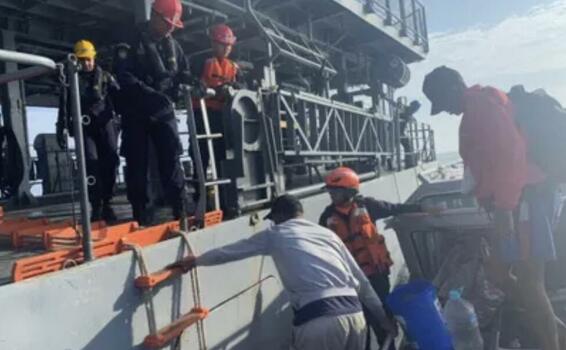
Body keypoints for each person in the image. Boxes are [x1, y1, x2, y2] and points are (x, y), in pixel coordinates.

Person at [422, 66, 565, 350]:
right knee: (498, 273)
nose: (446, 111)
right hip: (514, 204)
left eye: (442, 101)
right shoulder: (478, 109)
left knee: (530, 282)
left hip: (524, 201)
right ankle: (559, 332)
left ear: (453, 88)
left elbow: (512, 157)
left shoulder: (481, 107)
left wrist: (504, 210)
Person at [171, 194, 396, 350]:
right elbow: (362, 283)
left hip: (318, 319)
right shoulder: (328, 235)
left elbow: (230, 252)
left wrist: (197, 260)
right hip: (355, 315)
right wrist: (382, 319)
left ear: (279, 216)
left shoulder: (277, 233)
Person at [318, 166, 429, 349]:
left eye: (335, 191)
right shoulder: (327, 217)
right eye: (330, 191)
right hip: (350, 280)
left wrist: (421, 207)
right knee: (360, 324)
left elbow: (394, 208)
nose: (331, 195)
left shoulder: (368, 206)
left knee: (383, 320)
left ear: (349, 191)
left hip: (376, 276)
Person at [114, 0, 194, 225]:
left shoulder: (174, 47)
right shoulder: (131, 41)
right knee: (137, 162)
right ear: (155, 16)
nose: (170, 28)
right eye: (167, 22)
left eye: (173, 24)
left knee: (171, 158)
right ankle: (141, 212)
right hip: (136, 113)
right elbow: (123, 76)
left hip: (163, 112)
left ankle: (180, 209)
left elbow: (184, 72)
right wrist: (150, 93)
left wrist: (188, 84)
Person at [57, 39, 120, 222]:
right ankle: (96, 205)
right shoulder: (70, 81)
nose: (86, 63)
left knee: (110, 161)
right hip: (84, 129)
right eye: (82, 60)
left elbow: (121, 98)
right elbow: (64, 106)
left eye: (88, 59)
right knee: (90, 164)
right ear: (76, 60)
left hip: (106, 125)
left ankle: (108, 203)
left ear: (94, 58)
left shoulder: (106, 78)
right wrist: (60, 127)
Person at [190, 24, 239, 207]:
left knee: (221, 155)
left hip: (220, 117)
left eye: (229, 45)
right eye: (222, 44)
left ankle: (223, 195)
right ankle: (199, 195)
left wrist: (231, 89)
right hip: (201, 114)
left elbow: (240, 85)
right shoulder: (201, 62)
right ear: (213, 43)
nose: (226, 48)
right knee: (200, 154)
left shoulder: (233, 67)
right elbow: (192, 82)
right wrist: (211, 90)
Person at [399, 100, 421, 168]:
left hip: (400, 131)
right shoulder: (406, 110)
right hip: (396, 131)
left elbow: (411, 117)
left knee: (409, 143)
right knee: (408, 145)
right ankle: (409, 163)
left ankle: (410, 161)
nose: (416, 110)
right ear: (412, 106)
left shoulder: (408, 110)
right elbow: (405, 114)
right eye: (416, 108)